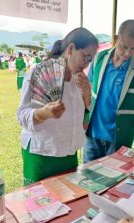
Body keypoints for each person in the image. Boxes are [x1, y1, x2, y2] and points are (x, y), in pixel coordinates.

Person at [17, 27, 98, 185]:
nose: (87, 63)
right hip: (42, 153)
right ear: (71, 49)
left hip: (69, 153)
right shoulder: (38, 72)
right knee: (41, 205)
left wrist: (87, 94)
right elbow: (22, 115)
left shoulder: (79, 79)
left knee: (68, 203)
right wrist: (43, 113)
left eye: (91, 59)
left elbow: (84, 119)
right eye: (85, 56)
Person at [83, 19, 134, 163]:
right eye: (124, 46)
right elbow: (88, 89)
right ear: (115, 39)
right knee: (86, 177)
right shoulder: (98, 59)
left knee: (113, 179)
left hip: (119, 140)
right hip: (92, 134)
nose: (128, 53)